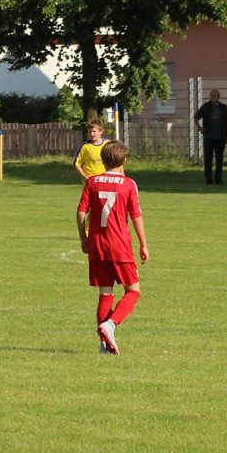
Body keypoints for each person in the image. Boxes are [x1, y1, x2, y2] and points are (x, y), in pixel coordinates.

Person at [76, 140, 150, 355]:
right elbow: (136, 217)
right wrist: (144, 244)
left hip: (98, 245)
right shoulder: (128, 184)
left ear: (104, 160)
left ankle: (104, 345)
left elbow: (81, 212)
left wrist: (84, 239)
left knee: (105, 294)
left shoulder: (92, 181)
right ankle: (111, 325)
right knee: (133, 291)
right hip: (119, 246)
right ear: (123, 160)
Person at [194, 89, 227, 184]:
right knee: (208, 159)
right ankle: (208, 180)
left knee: (219, 160)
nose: (214, 97)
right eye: (212, 95)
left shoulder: (224, 108)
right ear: (210, 96)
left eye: (216, 95)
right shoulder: (205, 107)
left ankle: (218, 180)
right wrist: (199, 128)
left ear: (219, 97)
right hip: (208, 138)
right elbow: (196, 117)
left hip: (221, 137)